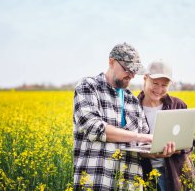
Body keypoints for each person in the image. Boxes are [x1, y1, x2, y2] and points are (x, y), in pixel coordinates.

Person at [73, 43, 175, 190]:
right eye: (127, 69)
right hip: (96, 182)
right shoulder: (88, 86)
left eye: (134, 71)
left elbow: (143, 147)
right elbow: (94, 128)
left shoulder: (133, 101)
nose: (132, 75)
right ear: (111, 61)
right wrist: (141, 137)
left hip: (129, 184)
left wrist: (161, 149)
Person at [138, 59, 195, 191]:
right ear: (145, 78)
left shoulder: (178, 105)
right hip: (144, 173)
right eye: (155, 83)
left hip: (174, 172)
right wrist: (147, 153)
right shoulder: (133, 107)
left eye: (164, 85)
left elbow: (190, 142)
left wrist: (177, 148)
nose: (159, 89)